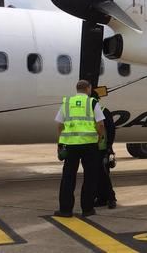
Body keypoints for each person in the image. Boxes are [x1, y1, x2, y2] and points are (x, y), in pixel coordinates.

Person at [54, 80, 105, 217]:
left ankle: (65, 210)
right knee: (90, 177)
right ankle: (87, 209)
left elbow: (59, 124)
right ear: (88, 89)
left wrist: (61, 142)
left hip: (70, 146)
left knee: (68, 177)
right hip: (89, 145)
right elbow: (100, 124)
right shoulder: (92, 102)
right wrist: (99, 139)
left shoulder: (67, 103)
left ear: (77, 89)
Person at [92, 92, 117, 209]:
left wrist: (109, 146)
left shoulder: (103, 111)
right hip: (92, 148)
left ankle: (111, 198)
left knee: (104, 175)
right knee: (95, 175)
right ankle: (101, 198)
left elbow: (111, 130)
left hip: (102, 148)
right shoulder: (89, 112)